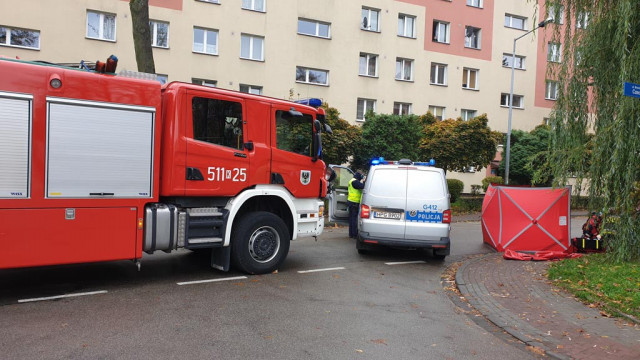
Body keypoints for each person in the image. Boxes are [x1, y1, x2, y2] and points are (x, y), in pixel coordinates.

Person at [347, 171, 365, 239]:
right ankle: (354, 234)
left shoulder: (351, 180)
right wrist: (364, 181)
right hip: (354, 202)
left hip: (351, 201)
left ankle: (351, 234)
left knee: (351, 219)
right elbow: (362, 186)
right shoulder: (355, 182)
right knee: (354, 219)